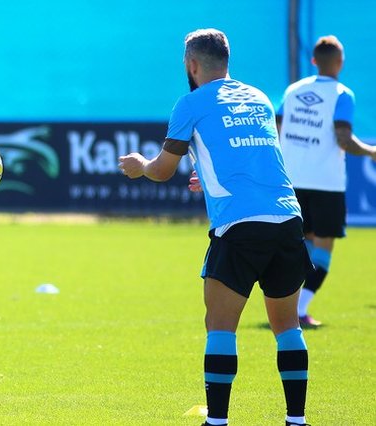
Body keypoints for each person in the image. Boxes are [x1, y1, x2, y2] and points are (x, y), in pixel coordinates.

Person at [119, 29, 312, 426]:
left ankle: (217, 421)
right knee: (287, 325)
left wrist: (140, 166)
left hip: (239, 225)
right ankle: (296, 420)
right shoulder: (258, 98)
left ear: (191, 65)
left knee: (220, 326)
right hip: (287, 217)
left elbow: (162, 169)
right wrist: (205, 177)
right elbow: (252, 155)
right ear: (227, 60)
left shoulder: (191, 103)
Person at [276, 35, 376, 327]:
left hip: (292, 180)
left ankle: (290, 308)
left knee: (302, 246)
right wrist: (371, 151)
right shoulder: (342, 94)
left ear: (313, 61)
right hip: (325, 182)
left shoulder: (293, 90)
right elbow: (343, 139)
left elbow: (277, 131)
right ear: (340, 62)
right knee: (323, 247)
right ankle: (300, 310)